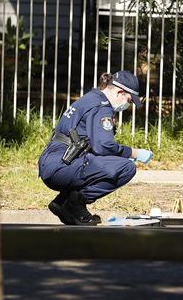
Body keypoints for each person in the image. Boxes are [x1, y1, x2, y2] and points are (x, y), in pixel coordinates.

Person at [38, 71, 153, 225]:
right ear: (120, 92)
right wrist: (135, 153)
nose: (127, 106)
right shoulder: (101, 106)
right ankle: (73, 204)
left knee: (103, 162)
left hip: (55, 163)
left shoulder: (90, 99)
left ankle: (63, 202)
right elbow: (104, 147)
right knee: (126, 167)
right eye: (129, 100)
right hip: (62, 165)